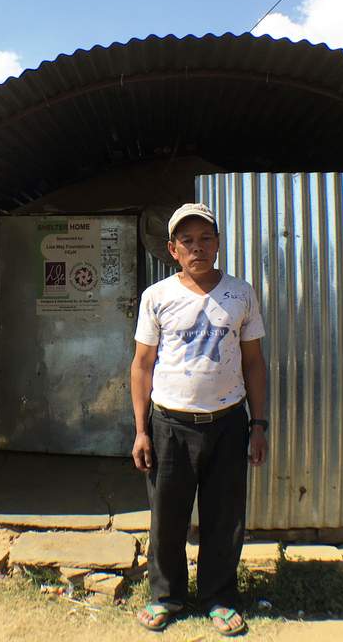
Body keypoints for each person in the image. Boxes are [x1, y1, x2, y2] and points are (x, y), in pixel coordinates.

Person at [131, 203, 268, 637]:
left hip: (228, 423)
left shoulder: (241, 294)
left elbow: (254, 363)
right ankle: (166, 596)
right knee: (167, 516)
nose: (197, 247)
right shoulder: (157, 297)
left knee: (223, 517)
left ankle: (219, 597)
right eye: (187, 240)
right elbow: (140, 365)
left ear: (218, 244)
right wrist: (140, 430)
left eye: (205, 238)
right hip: (169, 425)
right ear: (173, 249)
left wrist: (258, 424)